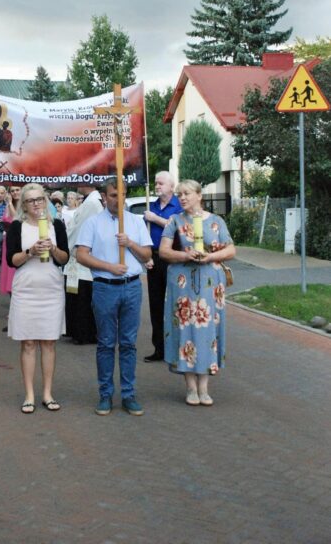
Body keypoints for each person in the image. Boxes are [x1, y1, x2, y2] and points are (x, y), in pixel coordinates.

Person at [76, 178, 152, 417]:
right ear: (104, 197)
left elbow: (147, 254)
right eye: (112, 195)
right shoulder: (92, 223)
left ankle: (129, 394)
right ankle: (106, 393)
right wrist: (109, 267)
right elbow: (81, 255)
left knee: (128, 343)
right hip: (105, 287)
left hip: (131, 287)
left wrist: (129, 243)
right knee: (106, 343)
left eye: (122, 194)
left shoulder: (135, 222)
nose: (117, 199)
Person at [159, 179, 235, 406]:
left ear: (199, 196)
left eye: (187, 194)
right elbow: (163, 251)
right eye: (179, 194)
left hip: (210, 285)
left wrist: (210, 257)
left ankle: (204, 387)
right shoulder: (174, 221)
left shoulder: (216, 221)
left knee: (207, 332)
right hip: (183, 286)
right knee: (185, 331)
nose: (182, 198)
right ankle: (191, 387)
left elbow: (231, 249)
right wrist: (185, 255)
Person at [6, 183, 69, 414]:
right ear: (24, 204)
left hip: (51, 289)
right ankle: (29, 394)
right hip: (26, 290)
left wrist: (52, 249)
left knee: (49, 342)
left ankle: (47, 393)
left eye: (40, 199)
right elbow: (11, 260)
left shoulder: (57, 225)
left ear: (46, 201)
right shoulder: (17, 227)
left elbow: (64, 258)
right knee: (29, 342)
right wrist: (31, 251)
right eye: (31, 200)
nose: (36, 204)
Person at [142, 171, 183, 363]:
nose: (157, 186)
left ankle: (177, 348)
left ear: (171, 186)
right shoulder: (153, 206)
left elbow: (180, 229)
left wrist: (155, 219)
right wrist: (146, 255)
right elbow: (144, 233)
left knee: (175, 303)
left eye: (160, 183)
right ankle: (159, 348)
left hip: (174, 258)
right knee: (156, 305)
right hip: (154, 258)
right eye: (156, 183)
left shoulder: (179, 205)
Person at [63, 183, 103, 344]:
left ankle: (84, 332)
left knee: (83, 297)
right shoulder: (89, 201)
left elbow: (80, 229)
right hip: (77, 255)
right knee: (75, 294)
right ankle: (75, 329)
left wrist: (66, 245)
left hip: (81, 253)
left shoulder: (92, 203)